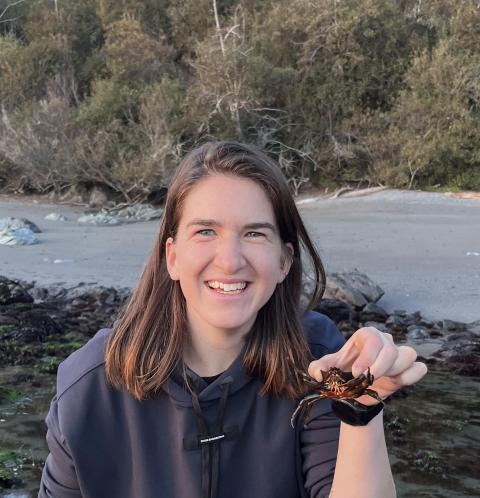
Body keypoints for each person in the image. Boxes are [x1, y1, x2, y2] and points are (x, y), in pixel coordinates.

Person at [38, 141, 427, 498]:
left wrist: (360, 405)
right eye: (206, 231)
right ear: (171, 256)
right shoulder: (89, 385)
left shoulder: (319, 362)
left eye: (255, 234)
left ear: (283, 261)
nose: (230, 260)